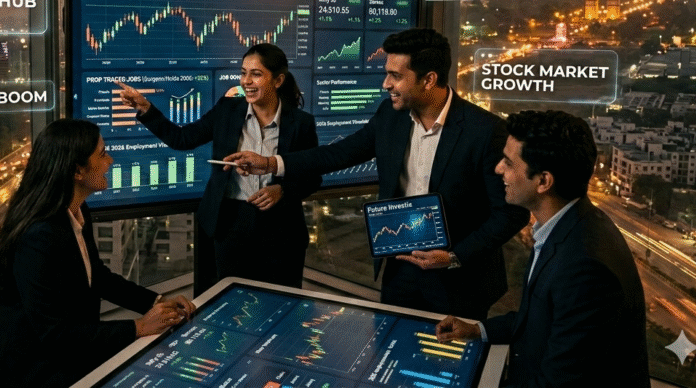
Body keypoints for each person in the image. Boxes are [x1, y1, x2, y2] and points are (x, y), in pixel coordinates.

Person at [226, 28, 529, 319]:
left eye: (396, 76)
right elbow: (339, 153)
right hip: (401, 269)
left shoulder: (485, 131)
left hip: (460, 278)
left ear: (429, 79)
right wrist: (270, 163)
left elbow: (511, 214)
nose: (386, 84)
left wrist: (452, 257)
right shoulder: (390, 116)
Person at [0, 119, 195, 387]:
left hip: (61, 357)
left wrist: (159, 302)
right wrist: (139, 327)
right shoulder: (39, 235)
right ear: (77, 171)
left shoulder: (76, 210)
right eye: (102, 154)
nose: (110, 161)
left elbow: (97, 277)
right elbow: (55, 334)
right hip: (26, 370)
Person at [436, 110, 649, 387]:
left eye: (508, 163)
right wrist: (479, 330)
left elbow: (559, 382)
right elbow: (540, 319)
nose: (498, 169)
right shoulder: (572, 226)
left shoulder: (584, 268)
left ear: (543, 181)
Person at [117, 43, 321, 294]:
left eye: (256, 74)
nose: (246, 81)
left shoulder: (301, 124)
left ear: (278, 80)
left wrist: (282, 191)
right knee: (230, 301)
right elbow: (183, 139)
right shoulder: (227, 110)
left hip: (281, 229)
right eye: (243, 73)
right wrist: (145, 108)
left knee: (279, 302)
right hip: (230, 224)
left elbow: (312, 178)